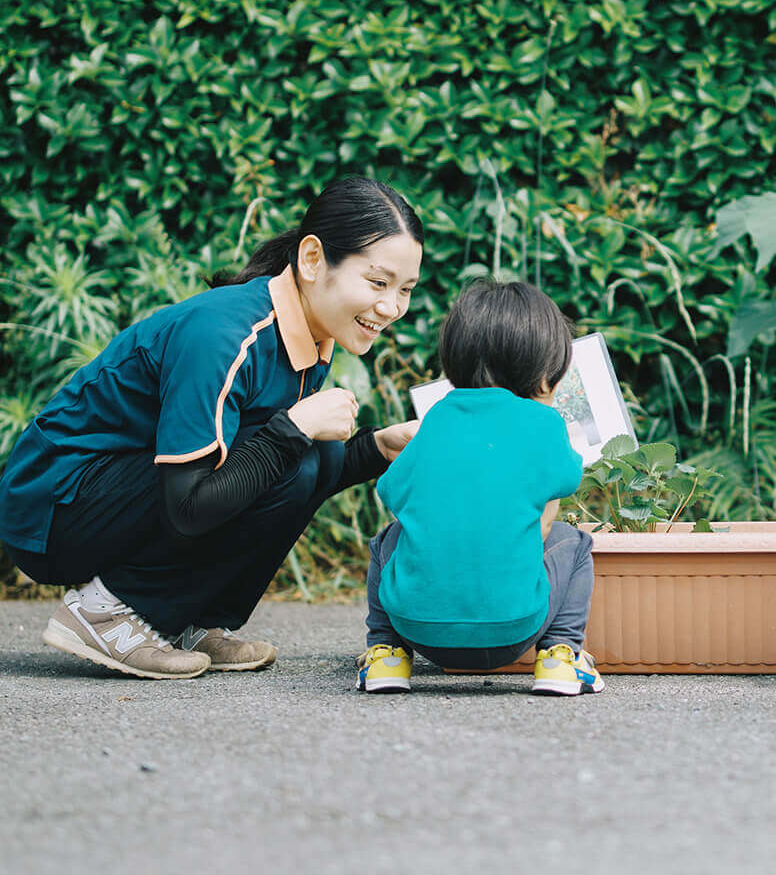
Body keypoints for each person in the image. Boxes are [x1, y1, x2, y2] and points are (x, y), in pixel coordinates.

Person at [0, 177, 424, 680]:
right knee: (289, 444)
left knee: (314, 451)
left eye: (405, 290)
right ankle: (107, 612)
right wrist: (293, 430)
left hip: (121, 493)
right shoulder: (223, 334)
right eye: (378, 283)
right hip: (54, 506)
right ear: (312, 260)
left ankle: (188, 620)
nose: (392, 307)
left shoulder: (312, 331)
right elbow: (187, 507)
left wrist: (379, 447)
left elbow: (305, 466)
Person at [356, 280, 602, 696]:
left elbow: (392, 492)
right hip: (518, 626)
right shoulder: (544, 423)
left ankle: (386, 654)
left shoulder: (437, 417)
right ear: (547, 375)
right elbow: (567, 479)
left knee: (386, 541)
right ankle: (561, 656)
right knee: (574, 543)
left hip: (419, 629)